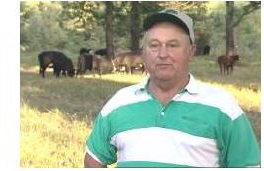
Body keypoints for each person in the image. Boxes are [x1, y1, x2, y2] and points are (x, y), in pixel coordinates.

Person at [84, 9, 260, 168]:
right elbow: (93, 160)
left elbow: (247, 165)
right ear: (143, 53)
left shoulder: (223, 107)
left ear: (191, 51)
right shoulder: (119, 103)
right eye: (154, 45)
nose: (162, 54)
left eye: (173, 45)